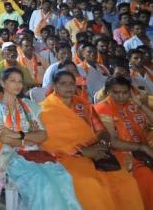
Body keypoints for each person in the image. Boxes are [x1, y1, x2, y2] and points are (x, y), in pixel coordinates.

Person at [40, 69, 144, 210]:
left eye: (71, 83)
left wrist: (102, 143)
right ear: (54, 85)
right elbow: (50, 143)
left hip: (96, 153)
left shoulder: (83, 104)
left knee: (126, 181)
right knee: (91, 184)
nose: (69, 87)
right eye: (63, 84)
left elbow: (100, 129)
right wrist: (82, 152)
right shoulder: (45, 109)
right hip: (67, 157)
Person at [0, 67, 80, 209]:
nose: (17, 85)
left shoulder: (27, 105)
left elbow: (43, 135)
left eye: (20, 81)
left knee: (63, 178)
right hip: (6, 155)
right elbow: (4, 138)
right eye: (12, 81)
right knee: (41, 182)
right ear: (3, 83)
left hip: (32, 152)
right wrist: (28, 138)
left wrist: (18, 134)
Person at [94, 75, 153, 209]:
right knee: (148, 178)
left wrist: (140, 105)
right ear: (107, 91)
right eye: (116, 92)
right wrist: (142, 147)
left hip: (146, 149)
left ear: (130, 91)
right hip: (123, 155)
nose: (121, 96)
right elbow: (113, 142)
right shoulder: (103, 108)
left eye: (125, 92)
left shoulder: (133, 104)